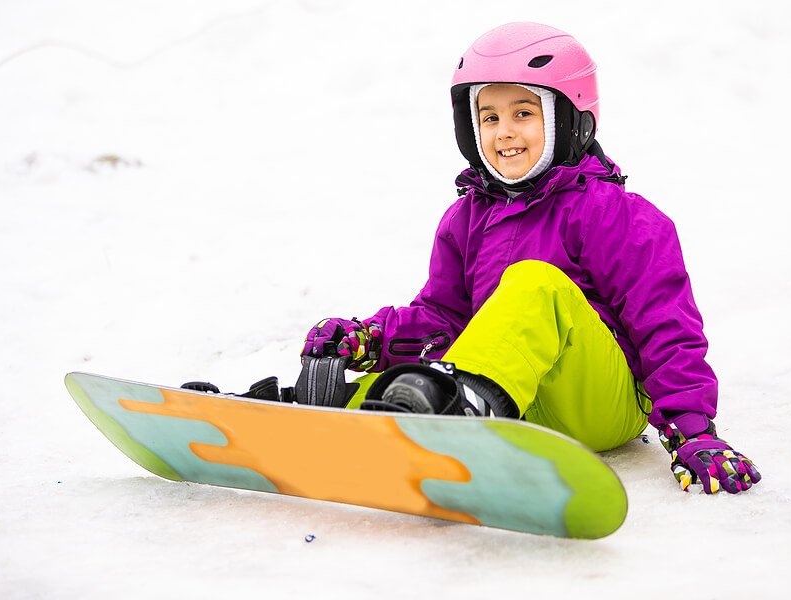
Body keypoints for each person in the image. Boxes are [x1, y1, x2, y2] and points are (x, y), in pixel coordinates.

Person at [301, 22, 761, 495]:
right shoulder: (466, 218)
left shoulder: (613, 214)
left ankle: (458, 420)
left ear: (571, 118)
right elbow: (443, 317)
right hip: (513, 399)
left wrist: (694, 432)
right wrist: (372, 341)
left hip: (598, 406)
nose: (505, 133)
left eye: (524, 112)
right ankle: (325, 412)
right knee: (401, 383)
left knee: (535, 282)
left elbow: (665, 326)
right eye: (490, 117)